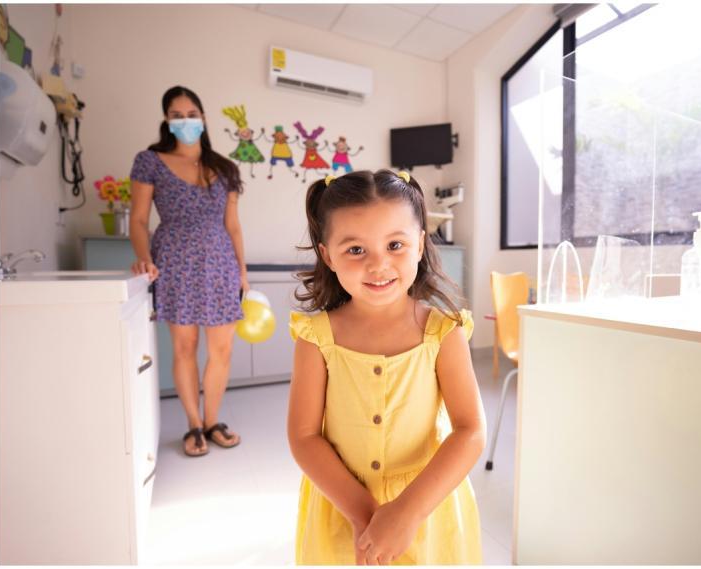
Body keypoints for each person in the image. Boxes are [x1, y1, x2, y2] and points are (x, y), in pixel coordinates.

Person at [287, 169, 485, 564]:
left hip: (427, 510)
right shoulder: (316, 337)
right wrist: (366, 518)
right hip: (342, 511)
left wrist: (406, 514)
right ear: (327, 255)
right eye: (356, 250)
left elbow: (471, 430)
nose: (379, 265)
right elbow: (304, 437)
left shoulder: (444, 331)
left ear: (419, 245)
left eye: (395, 244)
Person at [129, 85, 248, 457]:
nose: (185, 121)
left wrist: (242, 271)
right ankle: (193, 424)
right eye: (177, 115)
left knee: (222, 349)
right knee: (185, 346)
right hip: (175, 261)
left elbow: (233, 226)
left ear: (203, 117)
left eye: (191, 114)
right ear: (167, 120)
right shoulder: (149, 161)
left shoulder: (225, 168)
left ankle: (213, 421)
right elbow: (138, 219)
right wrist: (144, 256)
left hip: (220, 263)